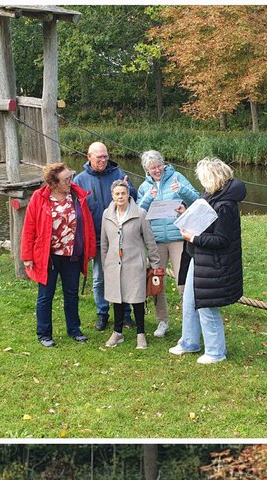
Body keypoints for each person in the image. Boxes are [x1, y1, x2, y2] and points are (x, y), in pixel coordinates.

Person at [169, 157, 245, 365]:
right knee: (190, 300)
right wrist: (187, 215)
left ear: (213, 178)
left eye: (203, 179)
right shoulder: (211, 195)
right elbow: (205, 219)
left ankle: (215, 351)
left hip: (216, 263)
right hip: (199, 258)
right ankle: (189, 341)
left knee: (207, 305)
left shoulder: (226, 205)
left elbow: (221, 239)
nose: (201, 184)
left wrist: (193, 237)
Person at [20, 162, 95, 349]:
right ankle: (44, 334)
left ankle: (74, 329)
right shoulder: (39, 197)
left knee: (72, 293)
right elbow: (29, 228)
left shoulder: (76, 195)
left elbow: (87, 224)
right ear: (53, 183)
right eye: (66, 179)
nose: (70, 181)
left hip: (72, 255)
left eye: (70, 177)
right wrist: (27, 256)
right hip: (48, 256)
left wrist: (89, 250)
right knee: (45, 295)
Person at [136, 149, 199, 338]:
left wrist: (181, 191)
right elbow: (138, 212)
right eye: (152, 168)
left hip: (178, 237)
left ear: (163, 164)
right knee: (157, 281)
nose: (156, 170)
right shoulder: (144, 187)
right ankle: (162, 321)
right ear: (146, 170)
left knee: (183, 282)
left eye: (158, 166)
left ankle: (190, 322)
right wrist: (148, 197)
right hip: (156, 241)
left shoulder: (177, 177)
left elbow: (196, 199)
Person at [74, 141, 135, 332]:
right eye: (99, 157)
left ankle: (125, 313)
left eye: (105, 156)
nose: (103, 160)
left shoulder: (119, 174)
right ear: (89, 157)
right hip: (96, 239)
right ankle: (102, 313)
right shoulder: (80, 180)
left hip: (120, 236)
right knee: (99, 277)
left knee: (123, 275)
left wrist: (130, 189)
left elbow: (133, 199)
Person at [101, 179, 160, 350]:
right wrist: (106, 264)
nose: (120, 196)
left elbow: (150, 241)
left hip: (134, 263)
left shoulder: (140, 214)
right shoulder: (107, 215)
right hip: (114, 264)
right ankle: (117, 332)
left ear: (128, 195)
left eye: (123, 193)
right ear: (112, 196)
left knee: (136, 299)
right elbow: (104, 242)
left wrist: (155, 264)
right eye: (117, 194)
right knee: (117, 299)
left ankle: (140, 334)